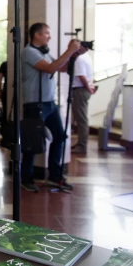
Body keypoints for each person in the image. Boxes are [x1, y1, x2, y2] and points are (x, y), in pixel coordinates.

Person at [21, 22, 83, 193]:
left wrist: (74, 56)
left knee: (60, 137)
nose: (49, 36)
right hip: (35, 103)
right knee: (32, 143)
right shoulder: (29, 52)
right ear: (37, 35)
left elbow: (59, 68)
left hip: (50, 103)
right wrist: (69, 50)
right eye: (46, 33)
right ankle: (26, 178)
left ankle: (55, 176)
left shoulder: (44, 53)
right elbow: (49, 69)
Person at [71, 48, 96, 154]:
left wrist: (87, 87)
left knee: (81, 119)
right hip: (83, 90)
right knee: (81, 118)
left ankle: (82, 145)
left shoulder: (79, 59)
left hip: (80, 90)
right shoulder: (87, 57)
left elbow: (81, 76)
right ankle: (81, 143)